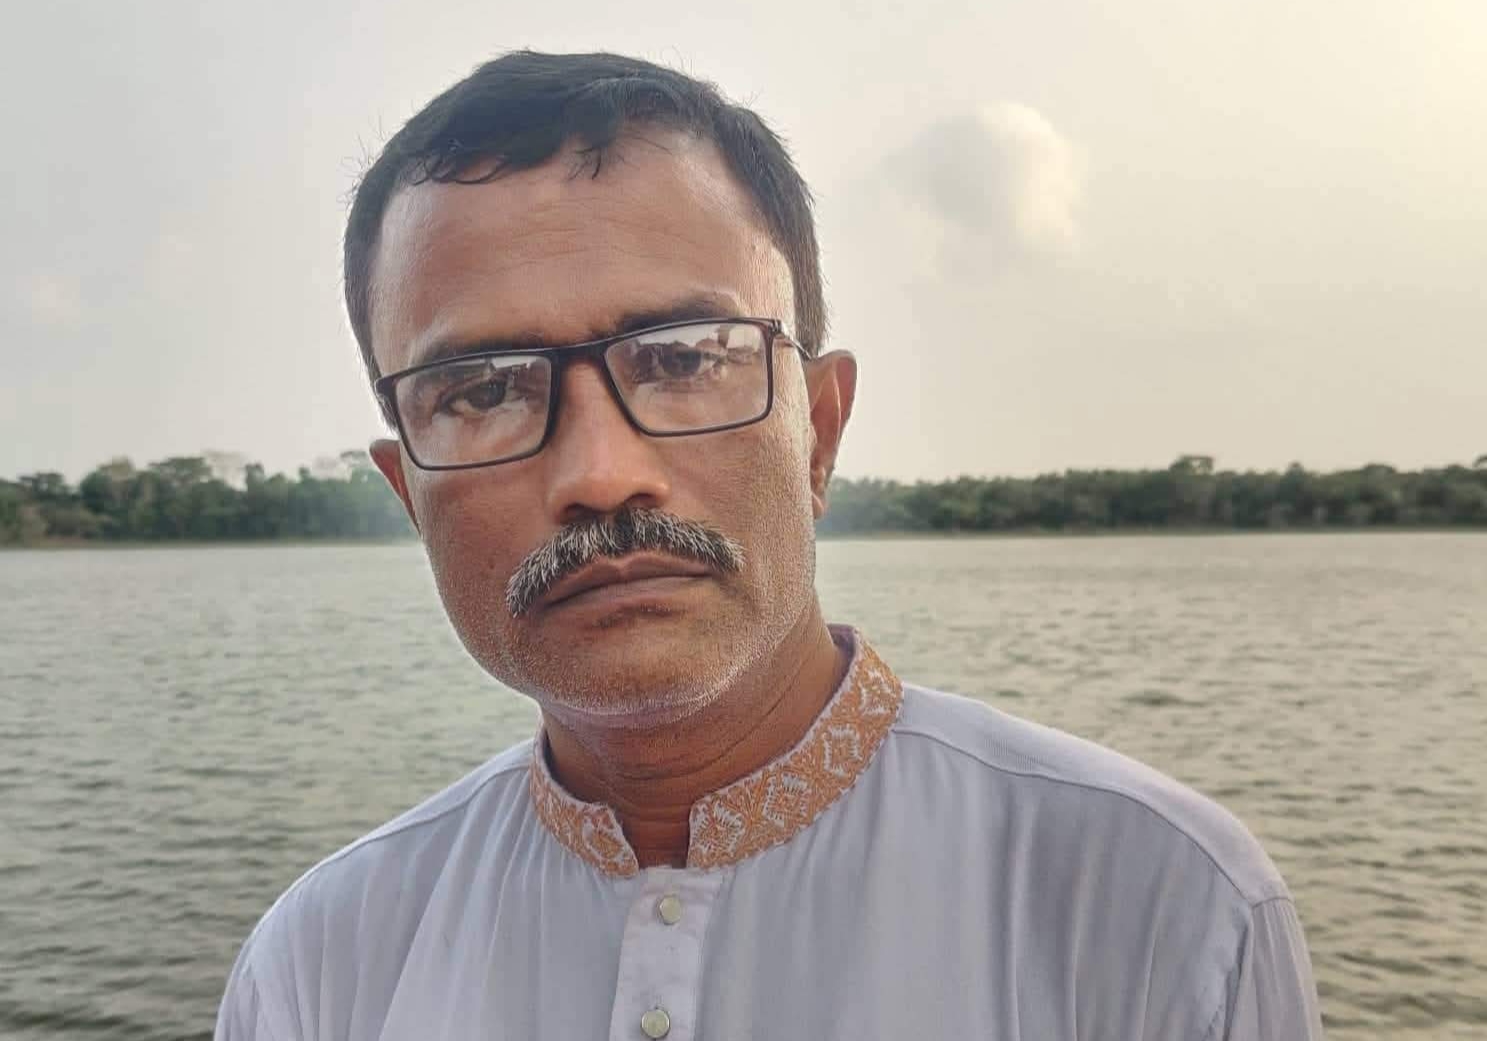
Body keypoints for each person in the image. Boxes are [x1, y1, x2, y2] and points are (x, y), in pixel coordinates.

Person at [216, 50, 1325, 1040]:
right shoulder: (325, 963)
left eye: (685, 358)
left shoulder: (1154, 905)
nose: (600, 472)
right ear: (409, 494)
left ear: (819, 433)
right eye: (481, 389)